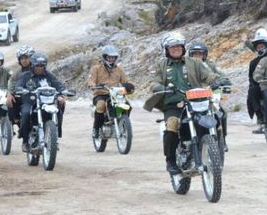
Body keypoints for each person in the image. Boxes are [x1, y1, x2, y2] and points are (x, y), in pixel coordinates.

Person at [144, 31, 220, 176]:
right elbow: (154, 81)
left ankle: (216, 152)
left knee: (216, 117)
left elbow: (208, 75)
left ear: (183, 47)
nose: (176, 49)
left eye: (178, 46)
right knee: (172, 123)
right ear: (166, 49)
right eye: (172, 47)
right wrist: (161, 88)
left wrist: (216, 81)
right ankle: (170, 161)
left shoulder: (195, 62)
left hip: (196, 101)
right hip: (174, 104)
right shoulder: (161, 65)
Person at [15, 53, 67, 153]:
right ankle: (25, 141)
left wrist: (61, 93)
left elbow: (58, 84)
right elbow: (19, 85)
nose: (40, 68)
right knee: (25, 113)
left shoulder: (49, 75)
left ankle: (55, 138)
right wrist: (20, 89)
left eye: (42, 66)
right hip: (30, 101)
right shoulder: (26, 75)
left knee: (58, 110)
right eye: (37, 66)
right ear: (33, 65)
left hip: (46, 102)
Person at [188, 40, 230, 149]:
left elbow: (220, 75)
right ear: (190, 54)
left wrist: (224, 81)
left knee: (221, 113)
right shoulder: (187, 66)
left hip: (209, 95)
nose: (197, 56)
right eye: (195, 54)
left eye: (200, 54)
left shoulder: (210, 65)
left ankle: (222, 140)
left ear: (205, 55)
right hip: (193, 97)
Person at [87, 45, 135, 138]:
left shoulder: (119, 69)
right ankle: (96, 129)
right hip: (101, 94)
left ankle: (124, 124)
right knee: (101, 105)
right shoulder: (96, 68)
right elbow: (91, 80)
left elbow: (126, 80)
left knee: (128, 105)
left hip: (116, 94)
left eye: (113, 57)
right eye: (109, 57)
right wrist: (93, 85)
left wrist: (130, 85)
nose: (111, 59)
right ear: (104, 57)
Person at [247, 29, 267, 133]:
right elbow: (251, 78)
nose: (260, 49)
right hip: (262, 86)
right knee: (252, 91)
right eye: (258, 47)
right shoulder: (253, 63)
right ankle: (261, 118)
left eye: (262, 46)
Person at [7, 45, 34, 125]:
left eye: (26, 58)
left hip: (36, 96)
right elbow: (11, 81)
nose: (24, 60)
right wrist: (9, 93)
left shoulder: (37, 69)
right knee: (9, 101)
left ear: (32, 58)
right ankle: (17, 120)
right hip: (23, 96)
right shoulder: (18, 72)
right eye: (21, 58)